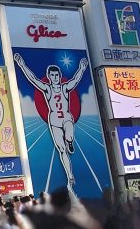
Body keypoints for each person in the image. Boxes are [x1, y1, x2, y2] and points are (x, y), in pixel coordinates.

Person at [14, 53, 89, 195]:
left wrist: (82, 68)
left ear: (59, 76)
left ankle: (70, 141)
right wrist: (22, 64)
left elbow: (76, 80)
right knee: (62, 149)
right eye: (52, 75)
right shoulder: (47, 89)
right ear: (49, 76)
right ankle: (70, 175)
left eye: (57, 75)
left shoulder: (65, 87)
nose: (55, 78)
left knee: (69, 135)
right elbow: (33, 79)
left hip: (66, 117)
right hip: (54, 120)